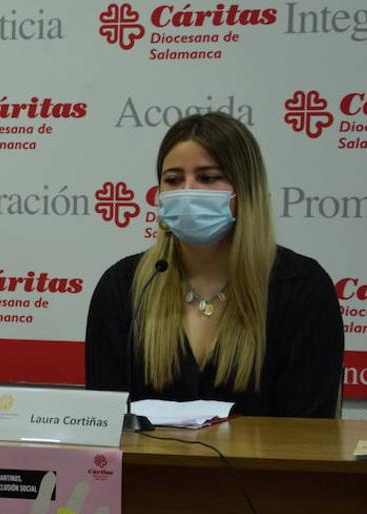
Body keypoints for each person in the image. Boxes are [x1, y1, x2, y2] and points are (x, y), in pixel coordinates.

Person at [85, 113, 344, 418]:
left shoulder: (301, 287)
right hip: (151, 467)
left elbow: (309, 434)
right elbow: (104, 427)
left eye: (208, 178)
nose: (187, 191)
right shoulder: (123, 287)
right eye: (173, 179)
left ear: (244, 190)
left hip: (262, 466)